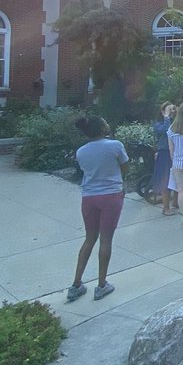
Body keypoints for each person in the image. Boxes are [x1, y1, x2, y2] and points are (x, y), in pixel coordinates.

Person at [67, 115, 129, 302]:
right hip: (111, 196)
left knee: (89, 239)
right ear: (102, 128)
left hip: (89, 197)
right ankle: (101, 285)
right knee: (106, 240)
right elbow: (125, 168)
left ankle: (76, 285)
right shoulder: (115, 145)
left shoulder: (81, 151)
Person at [152, 101, 176, 214]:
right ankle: (166, 208)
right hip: (164, 153)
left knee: (177, 179)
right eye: (169, 110)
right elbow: (166, 131)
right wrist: (166, 117)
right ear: (162, 112)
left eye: (173, 110)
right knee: (165, 181)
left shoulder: (175, 122)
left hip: (176, 154)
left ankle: (175, 202)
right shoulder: (158, 124)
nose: (172, 112)